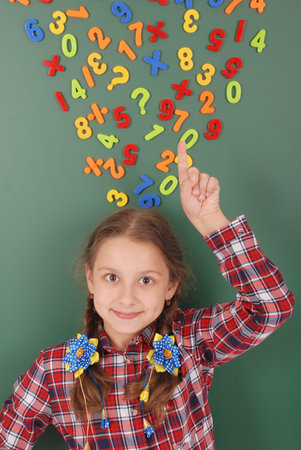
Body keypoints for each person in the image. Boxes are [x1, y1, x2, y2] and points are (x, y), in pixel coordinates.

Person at [0, 142, 295, 450]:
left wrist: (212, 223)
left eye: (146, 280)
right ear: (91, 279)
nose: (127, 298)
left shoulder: (191, 341)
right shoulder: (54, 369)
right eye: (112, 277)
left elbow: (270, 306)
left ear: (171, 287)